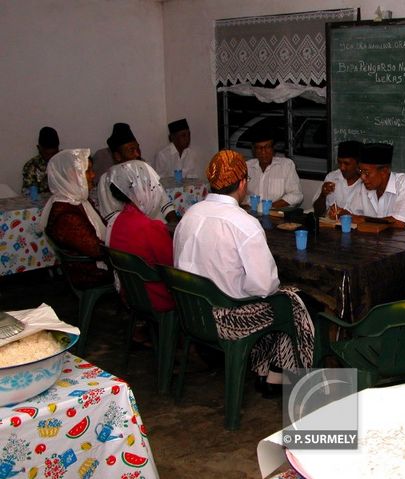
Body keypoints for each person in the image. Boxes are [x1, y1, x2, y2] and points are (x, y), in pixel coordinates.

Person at [173, 149, 314, 396]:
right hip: (228, 320)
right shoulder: (244, 223)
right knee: (294, 301)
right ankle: (279, 377)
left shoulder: (189, 215)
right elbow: (264, 287)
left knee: (271, 299)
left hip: (192, 313)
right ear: (243, 183)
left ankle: (266, 371)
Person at [105, 160, 174, 312]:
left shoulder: (115, 221)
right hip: (154, 297)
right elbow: (172, 267)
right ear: (142, 190)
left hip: (130, 293)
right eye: (153, 187)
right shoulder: (150, 228)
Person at [39, 149, 112, 288]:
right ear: (74, 175)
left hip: (90, 262)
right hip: (88, 272)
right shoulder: (66, 215)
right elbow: (96, 249)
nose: (93, 175)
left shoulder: (77, 200)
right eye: (87, 171)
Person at [97, 124, 178, 224]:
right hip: (130, 232)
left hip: (158, 225)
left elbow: (165, 203)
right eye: (131, 150)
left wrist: (174, 224)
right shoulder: (107, 180)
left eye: (138, 149)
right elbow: (112, 218)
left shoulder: (146, 170)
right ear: (118, 156)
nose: (137, 154)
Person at [342, 143, 405, 231]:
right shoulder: (364, 186)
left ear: (384, 172)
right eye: (360, 171)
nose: (362, 177)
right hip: (377, 241)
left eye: (366, 172)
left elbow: (400, 223)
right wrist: (341, 213)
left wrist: (363, 219)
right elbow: (350, 214)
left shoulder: (404, 183)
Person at [246, 125, 303, 208]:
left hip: (276, 214)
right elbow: (240, 195)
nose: (263, 152)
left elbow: (296, 195)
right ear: (253, 150)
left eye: (267, 147)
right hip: (251, 214)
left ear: (273, 148)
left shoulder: (286, 165)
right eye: (259, 148)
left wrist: (270, 207)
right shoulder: (247, 167)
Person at [312, 140, 363, 218]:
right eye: (339, 162)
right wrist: (323, 195)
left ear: (359, 164)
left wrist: (348, 216)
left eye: (347, 164)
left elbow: (373, 219)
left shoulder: (368, 183)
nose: (342, 168)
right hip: (330, 227)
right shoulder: (332, 177)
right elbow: (317, 212)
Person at [22, 126, 60, 194]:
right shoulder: (32, 166)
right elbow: (28, 194)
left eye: (54, 153)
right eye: (47, 154)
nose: (50, 157)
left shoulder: (65, 162)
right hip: (40, 203)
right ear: (39, 148)